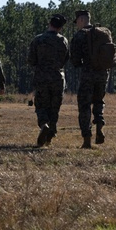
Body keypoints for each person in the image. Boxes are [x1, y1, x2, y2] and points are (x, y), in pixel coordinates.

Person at [27, 13, 70, 147]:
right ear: (60, 27)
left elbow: (31, 60)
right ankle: (49, 136)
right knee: (54, 108)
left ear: (49, 24)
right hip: (58, 78)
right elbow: (65, 60)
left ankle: (44, 124)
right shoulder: (63, 41)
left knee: (41, 106)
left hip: (41, 77)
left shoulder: (38, 40)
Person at [69, 9, 111, 149]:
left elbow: (74, 60)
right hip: (103, 74)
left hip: (87, 75)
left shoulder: (79, 36)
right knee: (99, 102)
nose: (77, 25)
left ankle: (87, 139)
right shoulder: (103, 33)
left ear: (81, 20)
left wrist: (82, 64)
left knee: (84, 106)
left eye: (77, 22)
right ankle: (99, 125)